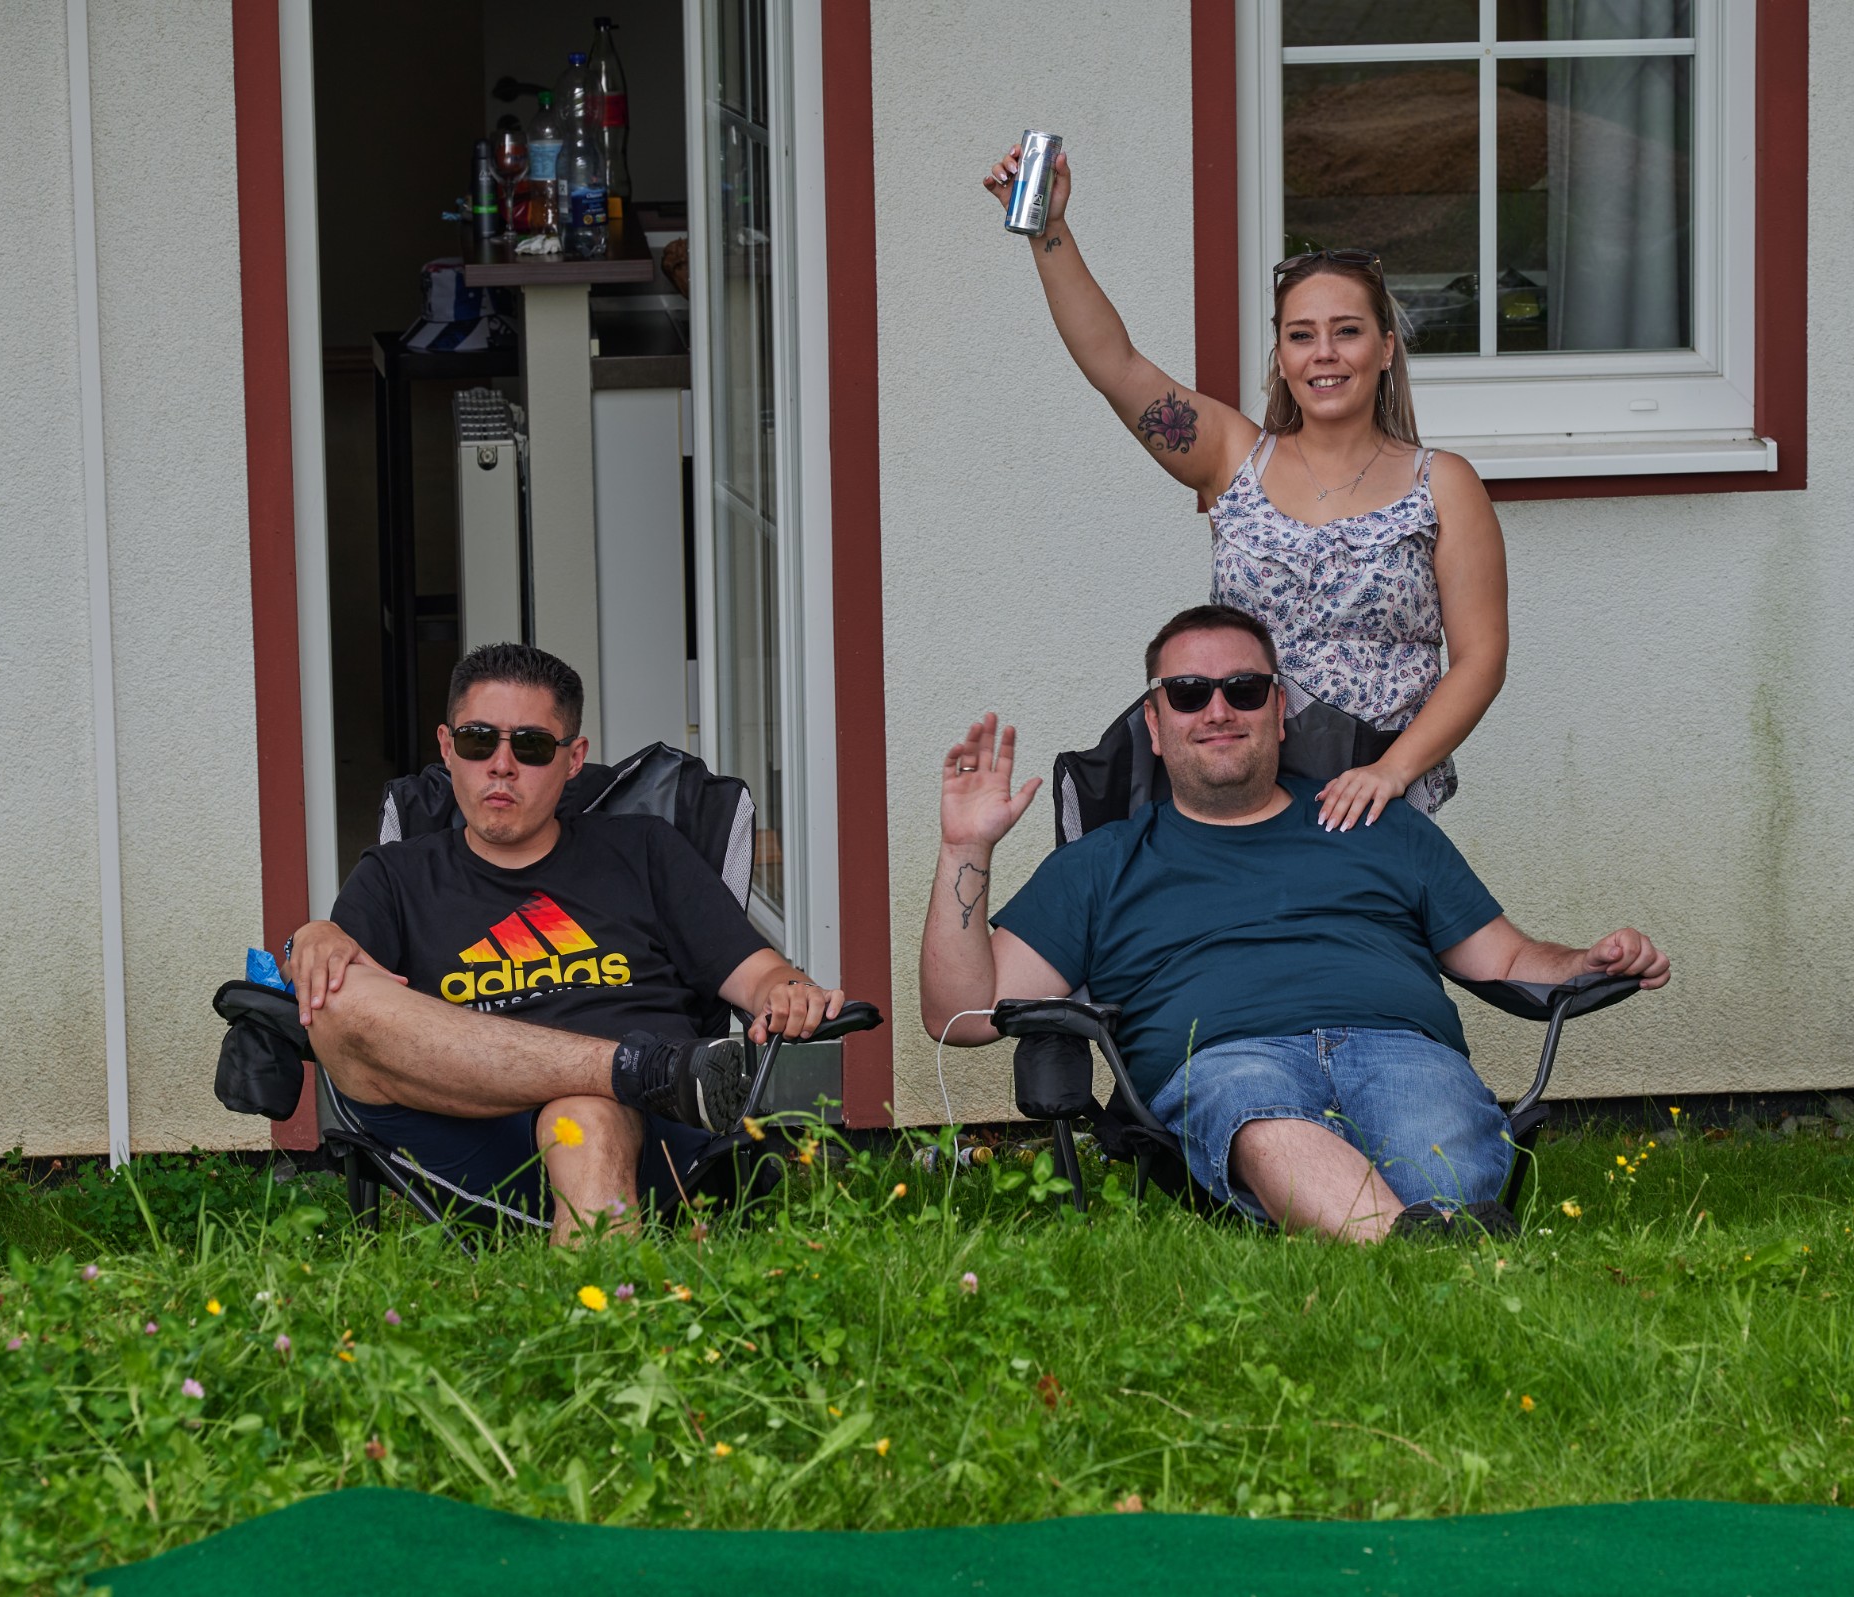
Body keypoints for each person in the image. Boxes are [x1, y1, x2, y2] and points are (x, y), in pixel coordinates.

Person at [920, 605, 1668, 1243]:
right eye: (1188, 693)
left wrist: (1585, 962)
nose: (1218, 711)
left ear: (1279, 710)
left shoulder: (1379, 822)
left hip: (1402, 1051)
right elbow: (961, 1013)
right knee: (1256, 1114)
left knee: (1434, 1131)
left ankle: (1417, 1242)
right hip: (1225, 1060)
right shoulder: (1100, 863)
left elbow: (1504, 957)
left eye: (1244, 689)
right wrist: (965, 848)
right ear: (1154, 721)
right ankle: (1429, 1250)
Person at [985, 143, 1509, 830]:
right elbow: (1116, 365)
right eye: (1301, 335)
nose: (1324, 353)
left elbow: (1480, 659)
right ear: (1281, 356)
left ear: (1385, 348)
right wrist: (1049, 230)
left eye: (1347, 331)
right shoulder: (1234, 458)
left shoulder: (1442, 484)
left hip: (1374, 801)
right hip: (1232, 790)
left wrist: (1391, 771)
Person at [282, 643, 843, 1245]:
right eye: (478, 741)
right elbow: (338, 1007)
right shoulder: (394, 875)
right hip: (470, 1138)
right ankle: (639, 1069)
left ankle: (598, 1295)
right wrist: (313, 940)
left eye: (530, 746)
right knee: (336, 1000)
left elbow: (759, 975)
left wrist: (788, 991)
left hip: (638, 1132)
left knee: (582, 1114)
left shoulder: (644, 850)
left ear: (573, 758)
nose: (501, 766)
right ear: (446, 747)